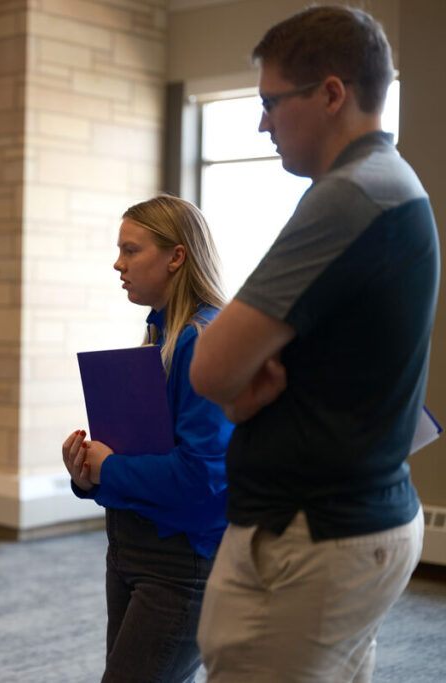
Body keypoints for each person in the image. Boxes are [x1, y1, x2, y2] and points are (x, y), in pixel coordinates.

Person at [188, 7, 437, 682]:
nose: (262, 122)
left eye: (271, 101)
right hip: (349, 523)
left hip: (312, 535)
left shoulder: (350, 197)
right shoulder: (390, 186)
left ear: (331, 94)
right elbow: (238, 380)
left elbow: (210, 366)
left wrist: (240, 386)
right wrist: (243, 390)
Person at [62, 195, 233, 682]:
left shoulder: (203, 339)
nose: (118, 263)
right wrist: (88, 473)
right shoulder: (160, 335)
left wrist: (108, 467)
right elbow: (147, 455)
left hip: (181, 562)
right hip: (132, 546)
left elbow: (203, 476)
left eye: (131, 250)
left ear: (177, 256)